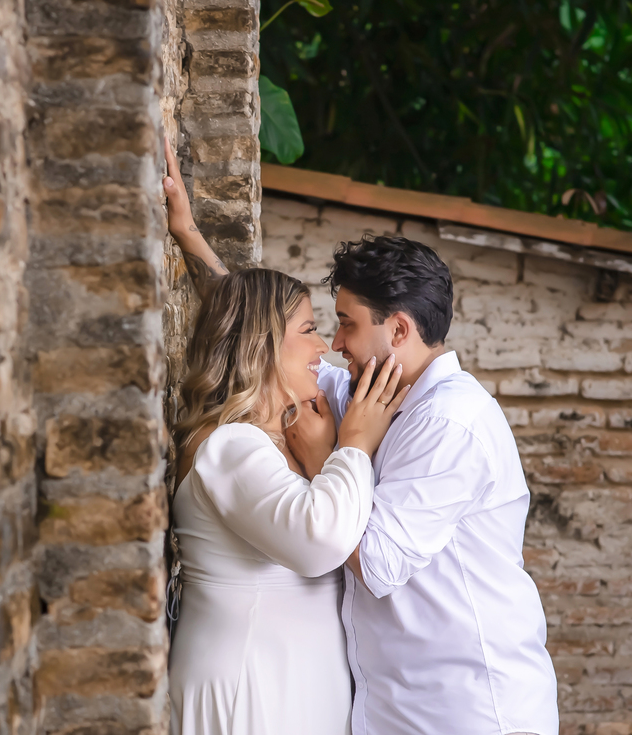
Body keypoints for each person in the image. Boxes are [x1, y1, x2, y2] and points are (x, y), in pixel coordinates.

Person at [162, 137, 559, 735]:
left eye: (345, 324)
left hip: (463, 706)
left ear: (397, 329)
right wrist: (189, 236)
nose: (334, 344)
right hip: (382, 704)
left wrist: (331, 452)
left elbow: (373, 561)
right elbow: (259, 338)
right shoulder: (360, 391)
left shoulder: (450, 423)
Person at [167, 266, 408, 735]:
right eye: (309, 330)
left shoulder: (275, 440)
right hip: (250, 683)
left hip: (293, 680)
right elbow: (319, 542)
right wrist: (354, 444)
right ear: (261, 344)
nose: (324, 348)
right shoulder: (229, 446)